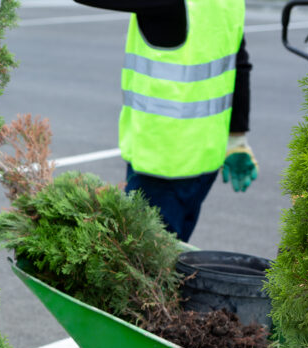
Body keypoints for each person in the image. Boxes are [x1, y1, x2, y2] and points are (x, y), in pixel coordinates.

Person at [75, 0, 258, 241]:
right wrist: (237, 138)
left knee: (142, 265)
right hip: (204, 160)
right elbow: (239, 63)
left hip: (162, 164)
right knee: (171, 258)